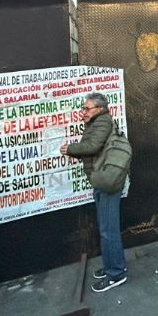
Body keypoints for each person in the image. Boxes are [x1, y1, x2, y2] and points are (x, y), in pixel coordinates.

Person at [61, 92, 128, 291]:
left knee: (109, 230)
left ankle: (116, 273)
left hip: (107, 181)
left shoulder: (102, 122)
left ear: (99, 109)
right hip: (101, 179)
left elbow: (92, 146)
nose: (83, 112)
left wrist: (70, 149)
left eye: (86, 108)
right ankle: (110, 266)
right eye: (83, 108)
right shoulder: (97, 122)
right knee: (105, 228)